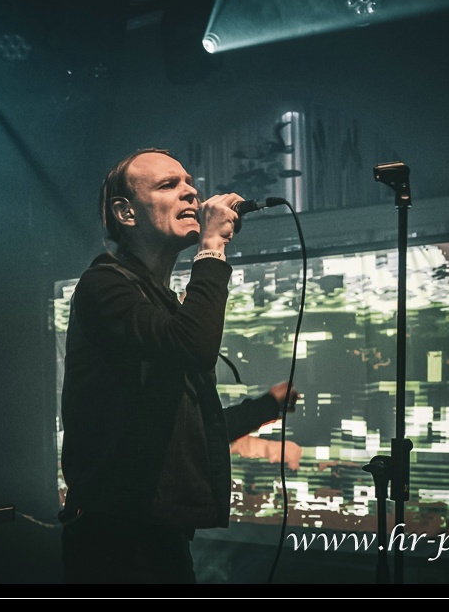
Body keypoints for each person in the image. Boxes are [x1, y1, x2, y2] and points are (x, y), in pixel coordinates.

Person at [58, 147, 299, 584]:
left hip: (159, 535)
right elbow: (192, 347)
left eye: (190, 182)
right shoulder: (103, 285)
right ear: (125, 213)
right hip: (114, 541)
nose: (191, 192)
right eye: (169, 185)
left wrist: (268, 405)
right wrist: (211, 247)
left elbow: (189, 426)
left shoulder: (162, 304)